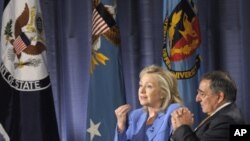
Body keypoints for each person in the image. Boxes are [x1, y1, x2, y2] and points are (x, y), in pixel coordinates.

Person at [114, 65, 183, 141]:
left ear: (163, 93)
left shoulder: (173, 111)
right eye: (140, 85)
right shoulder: (136, 116)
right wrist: (120, 126)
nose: (142, 90)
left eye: (149, 86)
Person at [171, 70, 245, 141]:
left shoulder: (226, 121)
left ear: (219, 97)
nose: (197, 99)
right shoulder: (224, 115)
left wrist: (183, 127)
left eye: (202, 94)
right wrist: (177, 128)